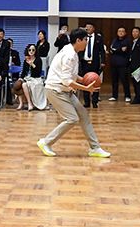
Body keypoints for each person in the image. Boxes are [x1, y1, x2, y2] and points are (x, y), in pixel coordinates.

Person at [37, 28, 111, 158]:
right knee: (72, 119)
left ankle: (95, 148)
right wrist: (86, 88)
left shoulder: (71, 51)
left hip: (65, 90)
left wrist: (84, 80)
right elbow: (66, 80)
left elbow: (71, 75)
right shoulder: (69, 55)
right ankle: (46, 142)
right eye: (85, 40)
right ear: (78, 40)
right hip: (55, 90)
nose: (87, 43)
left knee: (84, 116)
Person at [79, 23, 104, 108]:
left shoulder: (99, 38)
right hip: (84, 63)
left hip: (95, 63)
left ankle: (95, 101)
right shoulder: (83, 38)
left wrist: (103, 61)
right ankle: (86, 102)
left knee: (95, 82)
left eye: (90, 27)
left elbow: (102, 51)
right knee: (85, 81)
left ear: (93, 28)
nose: (88, 28)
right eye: (86, 27)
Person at [15, 43, 46, 111]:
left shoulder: (38, 60)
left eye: (33, 50)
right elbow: (23, 72)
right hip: (27, 78)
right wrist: (21, 78)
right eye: (29, 50)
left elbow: (38, 72)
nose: (31, 51)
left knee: (25, 85)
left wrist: (32, 64)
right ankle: (24, 103)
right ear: (27, 51)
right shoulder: (26, 60)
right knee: (18, 85)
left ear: (35, 51)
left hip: (35, 78)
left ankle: (30, 103)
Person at [109, 27, 132, 102]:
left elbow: (124, 49)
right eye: (119, 31)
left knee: (124, 81)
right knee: (114, 81)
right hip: (114, 64)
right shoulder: (114, 40)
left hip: (123, 64)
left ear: (125, 33)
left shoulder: (127, 40)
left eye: (122, 31)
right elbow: (112, 49)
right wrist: (119, 49)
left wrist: (116, 50)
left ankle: (127, 96)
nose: (121, 32)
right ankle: (114, 96)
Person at [128, 26, 140, 104]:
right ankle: (136, 97)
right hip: (131, 65)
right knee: (134, 83)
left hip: (139, 66)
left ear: (139, 33)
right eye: (133, 32)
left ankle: (139, 98)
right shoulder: (131, 42)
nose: (134, 33)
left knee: (138, 83)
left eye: (136, 32)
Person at [6, 38, 22, 105]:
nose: (9, 45)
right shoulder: (3, 52)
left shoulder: (15, 53)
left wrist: (13, 63)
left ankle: (16, 97)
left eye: (10, 44)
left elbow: (19, 63)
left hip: (14, 73)